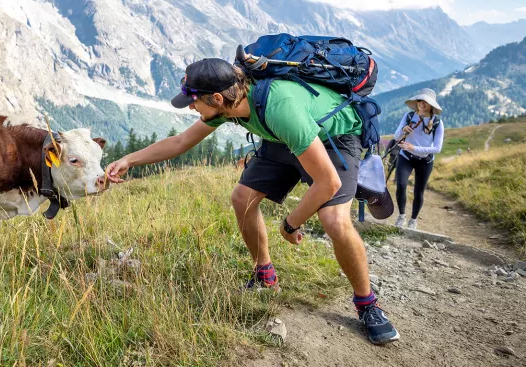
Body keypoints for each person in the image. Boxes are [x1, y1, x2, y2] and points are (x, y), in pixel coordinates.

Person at [105, 58, 399, 345]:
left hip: (334, 137)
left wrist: (290, 223)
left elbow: (328, 182)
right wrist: (129, 159)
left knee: (334, 221)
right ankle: (265, 275)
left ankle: (368, 304)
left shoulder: (280, 108)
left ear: (218, 98)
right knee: (242, 197)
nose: (191, 107)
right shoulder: (226, 103)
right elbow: (181, 142)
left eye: (193, 101)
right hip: (283, 138)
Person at [392, 89, 444, 230]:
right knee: (401, 185)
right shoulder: (408, 116)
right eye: (420, 100)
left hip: (425, 161)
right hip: (405, 157)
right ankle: (401, 216)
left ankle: (413, 220)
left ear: (431, 105)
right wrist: (403, 130)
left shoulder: (438, 123)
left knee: (418, 191)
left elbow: (437, 148)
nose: (422, 104)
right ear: (416, 102)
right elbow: (396, 137)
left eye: (426, 102)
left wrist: (414, 148)